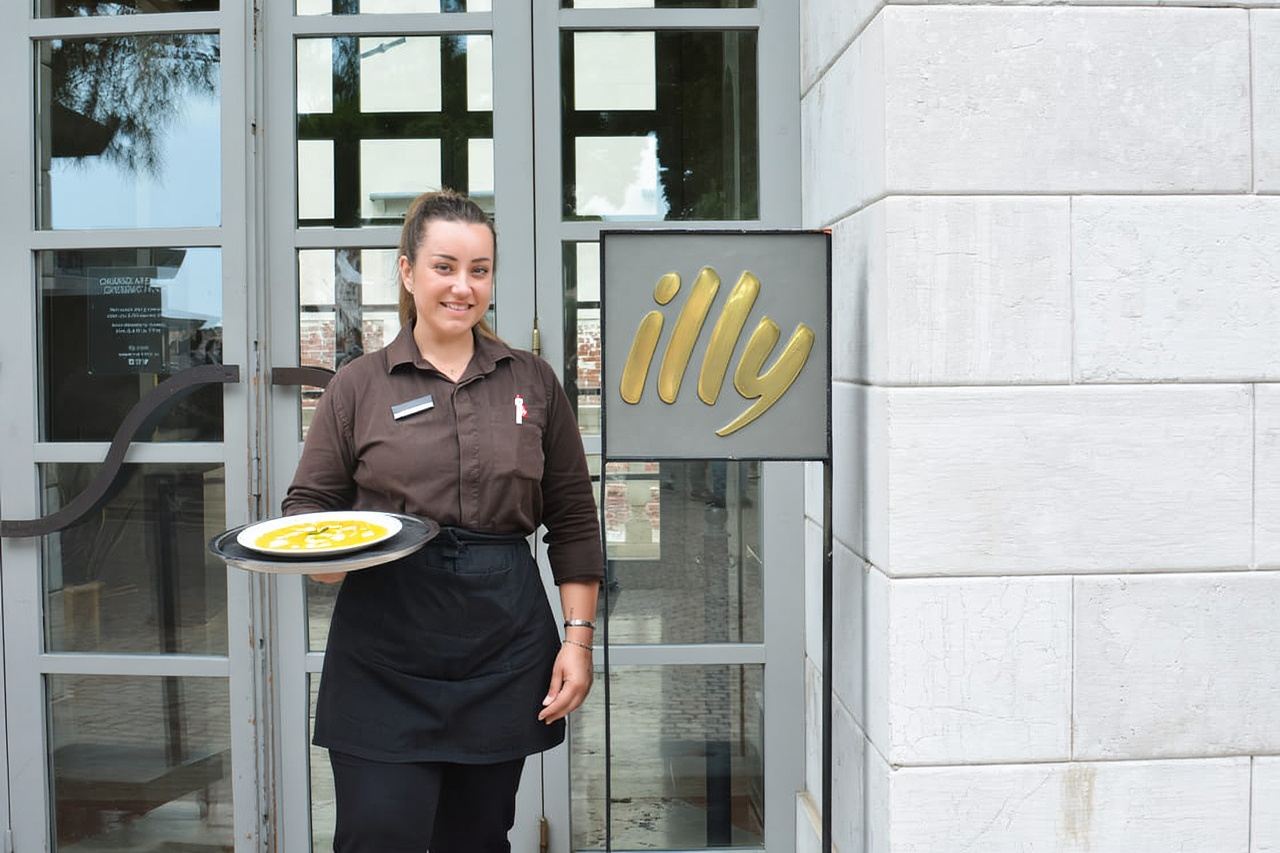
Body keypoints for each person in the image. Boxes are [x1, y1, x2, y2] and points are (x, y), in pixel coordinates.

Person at [282, 189, 603, 853]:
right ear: (407, 271)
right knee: (377, 835)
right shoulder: (359, 387)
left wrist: (578, 640)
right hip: (384, 651)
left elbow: (572, 517)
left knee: (478, 838)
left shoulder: (534, 382)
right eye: (445, 266)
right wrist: (325, 558)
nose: (463, 286)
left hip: (502, 646)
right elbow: (306, 509)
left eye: (479, 269)